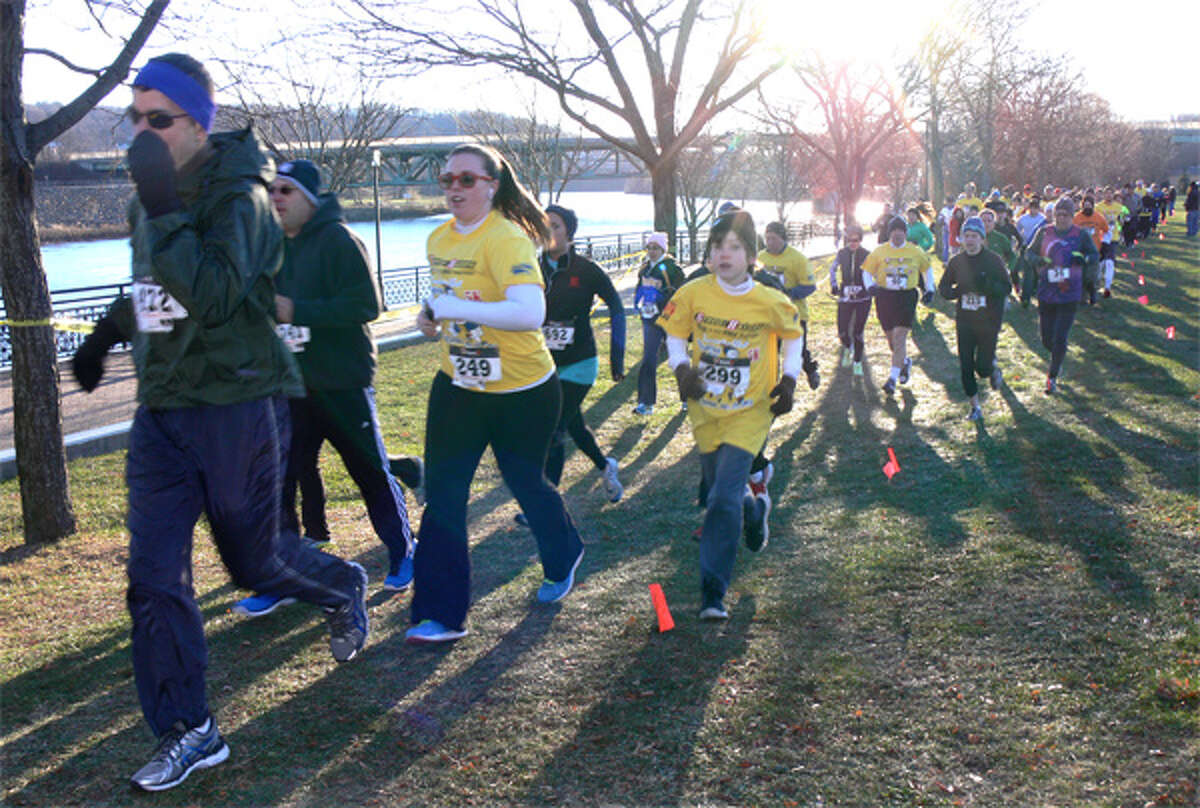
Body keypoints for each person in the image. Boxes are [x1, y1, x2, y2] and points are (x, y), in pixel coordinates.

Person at [68, 53, 368, 792]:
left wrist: (161, 199)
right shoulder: (153, 197)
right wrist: (107, 334)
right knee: (152, 575)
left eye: (158, 120)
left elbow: (207, 290)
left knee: (253, 562)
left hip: (238, 403)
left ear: (197, 124)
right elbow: (150, 284)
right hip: (164, 409)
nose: (142, 133)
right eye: (133, 120)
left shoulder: (244, 200)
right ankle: (190, 729)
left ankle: (341, 585)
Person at [406, 143, 585, 644]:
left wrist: (453, 307)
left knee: (525, 481)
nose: (454, 188)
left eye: (467, 179)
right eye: (447, 180)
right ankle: (440, 614)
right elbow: (448, 298)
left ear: (492, 185)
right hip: (459, 385)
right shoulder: (439, 239)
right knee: (443, 494)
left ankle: (564, 551)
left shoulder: (506, 238)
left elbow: (530, 313)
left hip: (522, 389)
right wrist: (430, 316)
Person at [231, 159, 416, 618]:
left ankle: (404, 550)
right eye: (272, 190)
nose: (276, 198)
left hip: (342, 381)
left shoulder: (339, 240)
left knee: (369, 472)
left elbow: (366, 304)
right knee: (279, 482)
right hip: (289, 386)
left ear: (310, 200)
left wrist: (298, 310)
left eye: (287, 191)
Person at [658, 211, 802, 620]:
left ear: (751, 256)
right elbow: (673, 333)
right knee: (720, 486)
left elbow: (794, 338)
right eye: (718, 247)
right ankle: (754, 509)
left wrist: (789, 380)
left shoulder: (770, 300)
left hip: (749, 411)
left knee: (719, 498)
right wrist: (682, 369)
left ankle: (712, 592)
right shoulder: (692, 293)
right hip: (705, 409)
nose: (725, 254)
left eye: (735, 247)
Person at [539, 203, 626, 501]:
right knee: (573, 424)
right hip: (544, 363)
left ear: (570, 233)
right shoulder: (531, 268)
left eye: (555, 226)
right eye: (543, 225)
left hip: (580, 361)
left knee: (553, 426)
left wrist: (617, 356)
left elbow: (616, 304)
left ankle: (546, 502)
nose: (547, 232)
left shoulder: (585, 270)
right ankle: (606, 466)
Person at [1020, 197, 1099, 394]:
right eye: (1058, 215)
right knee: (1047, 339)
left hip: (1070, 293)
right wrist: (1038, 260)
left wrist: (1084, 258)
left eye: (1066, 215)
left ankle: (1052, 376)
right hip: (1047, 292)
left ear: (1072, 216)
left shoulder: (1080, 235)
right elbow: (1028, 254)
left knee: (1061, 337)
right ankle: (1058, 358)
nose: (1061, 218)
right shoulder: (1044, 231)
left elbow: (1094, 255)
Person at [937, 217, 1012, 421]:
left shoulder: (993, 260)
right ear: (961, 238)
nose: (969, 240)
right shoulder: (956, 262)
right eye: (966, 236)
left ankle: (992, 369)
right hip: (965, 320)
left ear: (982, 238)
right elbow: (943, 288)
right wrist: (957, 292)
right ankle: (975, 407)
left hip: (989, 320)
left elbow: (1007, 288)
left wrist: (987, 285)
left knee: (983, 367)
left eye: (974, 236)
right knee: (966, 364)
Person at [862, 216, 935, 395]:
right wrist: (870, 286)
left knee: (899, 336)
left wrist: (930, 289)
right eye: (894, 231)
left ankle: (892, 380)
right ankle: (904, 363)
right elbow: (866, 271)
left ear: (905, 232)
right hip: (885, 296)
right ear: (889, 233)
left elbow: (927, 269)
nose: (897, 234)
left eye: (901, 231)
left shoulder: (915, 251)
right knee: (891, 339)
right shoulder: (879, 251)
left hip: (906, 296)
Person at [756, 221, 820, 389]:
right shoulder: (760, 258)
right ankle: (771, 386)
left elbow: (810, 286)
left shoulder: (797, 258)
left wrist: (787, 294)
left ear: (783, 238)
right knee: (770, 352)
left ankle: (811, 370)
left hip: (795, 313)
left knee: (798, 351)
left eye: (774, 239)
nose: (770, 242)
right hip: (769, 314)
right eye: (767, 238)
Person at [632, 232, 685, 414]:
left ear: (663, 249)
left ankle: (686, 398)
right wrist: (637, 304)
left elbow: (681, 296)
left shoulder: (672, 269)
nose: (652, 251)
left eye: (656, 248)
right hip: (650, 320)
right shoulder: (645, 269)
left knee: (678, 358)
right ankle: (646, 403)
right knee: (648, 359)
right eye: (649, 247)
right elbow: (639, 290)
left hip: (670, 320)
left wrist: (665, 307)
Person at [828, 224, 873, 376]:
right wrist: (834, 285)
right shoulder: (841, 253)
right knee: (842, 331)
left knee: (858, 333)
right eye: (850, 240)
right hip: (845, 297)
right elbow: (832, 269)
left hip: (863, 298)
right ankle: (847, 348)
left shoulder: (867, 254)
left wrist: (871, 287)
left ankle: (858, 362)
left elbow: (873, 272)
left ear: (860, 240)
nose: (853, 243)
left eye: (856, 239)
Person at [1072, 195, 1109, 305]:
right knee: (1081, 276)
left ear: (1093, 206)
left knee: (1091, 277)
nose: (1087, 208)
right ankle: (1082, 298)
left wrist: (1105, 245)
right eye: (1085, 206)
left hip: (1094, 251)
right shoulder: (1076, 218)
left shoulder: (1099, 217)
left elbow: (1106, 230)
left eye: (1089, 206)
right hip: (1080, 252)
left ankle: (1093, 293)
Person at [1094, 188, 1128, 297]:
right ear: (1103, 195)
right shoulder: (1098, 207)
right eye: (1106, 193)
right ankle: (1098, 281)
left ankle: (1107, 287)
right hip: (1102, 238)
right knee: (1101, 262)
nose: (1108, 195)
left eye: (1110, 193)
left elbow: (1124, 218)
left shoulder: (1119, 207)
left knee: (1110, 262)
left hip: (1114, 237)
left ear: (1113, 195)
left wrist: (1122, 221)